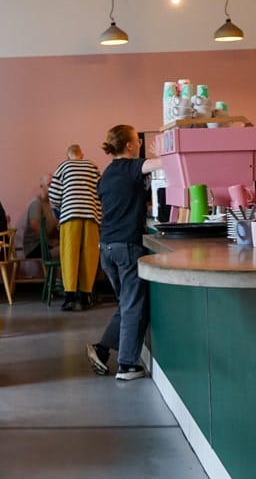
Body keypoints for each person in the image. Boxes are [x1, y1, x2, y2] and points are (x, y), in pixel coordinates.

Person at [85, 124, 162, 381]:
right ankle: (127, 365)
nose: (139, 144)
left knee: (127, 302)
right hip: (126, 245)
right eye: (137, 141)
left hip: (106, 246)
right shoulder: (131, 167)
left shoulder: (107, 174)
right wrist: (162, 152)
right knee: (132, 306)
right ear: (129, 145)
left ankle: (102, 348)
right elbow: (162, 164)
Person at [48, 144, 102, 311]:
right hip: (91, 215)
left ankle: (70, 297)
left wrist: (63, 205)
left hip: (70, 215)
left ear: (68, 155)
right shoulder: (92, 167)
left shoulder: (64, 166)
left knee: (69, 254)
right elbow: (100, 191)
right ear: (82, 154)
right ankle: (86, 296)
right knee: (89, 255)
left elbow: (53, 194)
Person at [17, 175, 59, 279]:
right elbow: (34, 225)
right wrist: (49, 241)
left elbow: (51, 228)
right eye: (49, 185)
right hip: (34, 247)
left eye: (54, 185)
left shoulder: (47, 204)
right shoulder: (36, 203)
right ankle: (64, 283)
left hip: (43, 244)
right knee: (66, 251)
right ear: (41, 186)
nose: (53, 187)